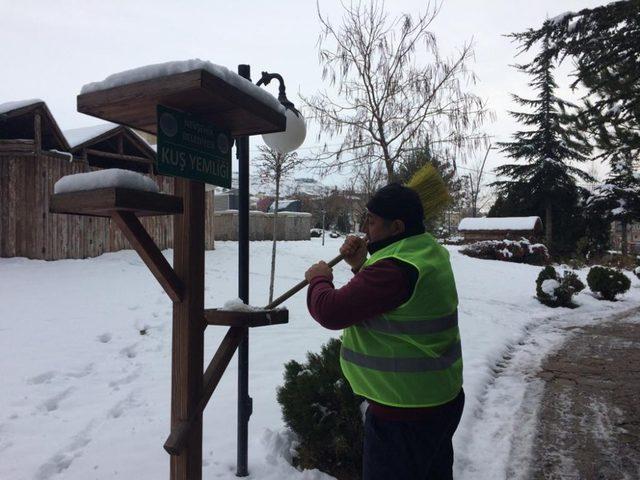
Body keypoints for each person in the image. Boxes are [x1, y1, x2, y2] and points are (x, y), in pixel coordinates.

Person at [305, 183, 464, 480]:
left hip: (403, 413)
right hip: (438, 399)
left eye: (373, 221)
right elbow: (391, 303)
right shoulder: (426, 251)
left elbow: (331, 311)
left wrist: (319, 280)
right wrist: (360, 265)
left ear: (397, 226)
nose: (366, 227)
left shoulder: (394, 268)